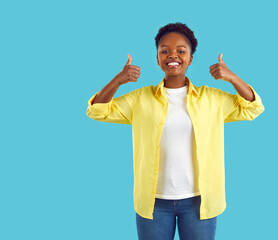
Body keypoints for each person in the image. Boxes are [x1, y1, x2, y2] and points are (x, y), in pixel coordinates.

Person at [86, 22, 265, 240]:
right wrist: (118, 80)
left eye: (181, 50)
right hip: (153, 203)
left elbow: (253, 108)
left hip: (199, 202)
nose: (173, 55)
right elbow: (97, 111)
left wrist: (232, 78)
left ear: (190, 59)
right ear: (157, 58)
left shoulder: (212, 99)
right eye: (165, 50)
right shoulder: (141, 99)